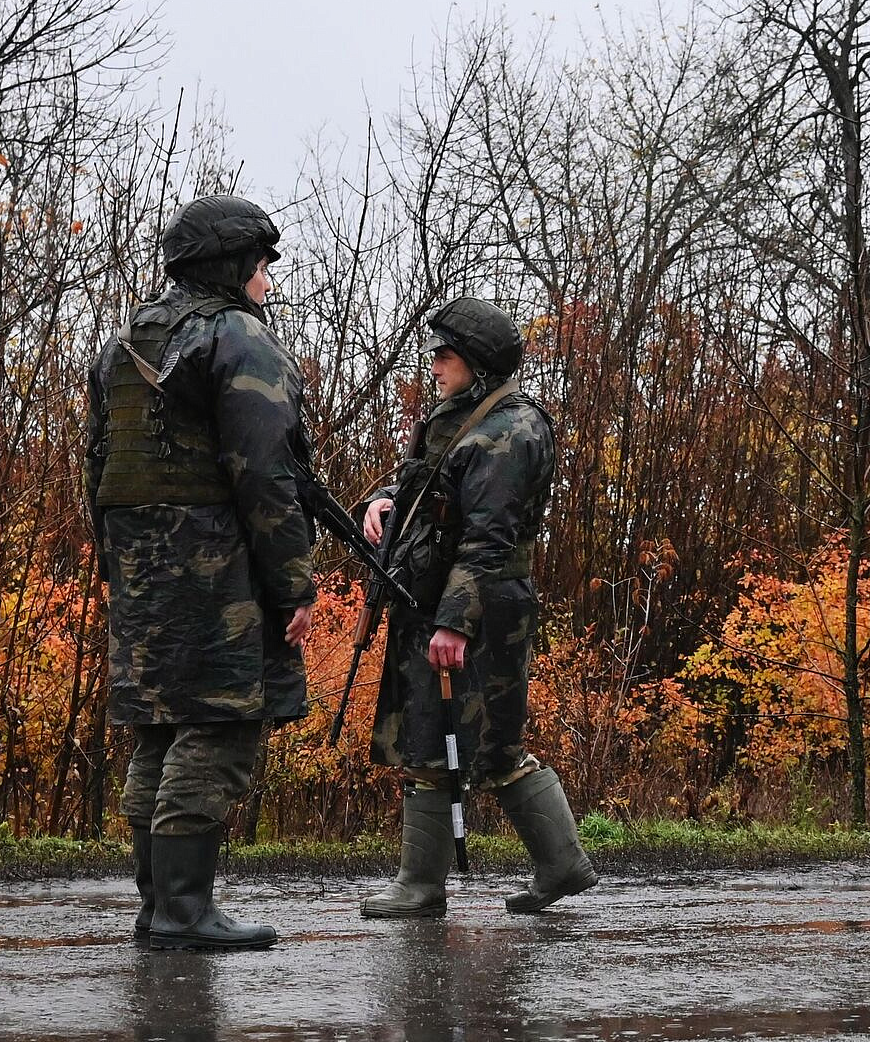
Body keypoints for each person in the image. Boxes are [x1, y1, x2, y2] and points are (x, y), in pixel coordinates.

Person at [84, 193, 316, 950]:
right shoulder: (238, 338)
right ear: (233, 266)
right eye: (262, 268)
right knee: (217, 727)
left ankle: (160, 909)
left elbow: (97, 470)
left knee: (159, 730)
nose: (268, 285)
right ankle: (186, 912)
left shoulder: (121, 344)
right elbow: (267, 476)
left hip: (142, 572)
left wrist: (124, 568)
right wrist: (293, 584)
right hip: (218, 572)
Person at [357, 296, 597, 918]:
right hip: (433, 599)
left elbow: (491, 541)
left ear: (477, 362)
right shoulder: (458, 418)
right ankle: (421, 885)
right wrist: (382, 500)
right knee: (427, 737)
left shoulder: (510, 432)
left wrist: (453, 622)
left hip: (480, 610)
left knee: (491, 743)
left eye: (445, 354)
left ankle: (561, 864)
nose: (433, 364)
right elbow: (424, 480)